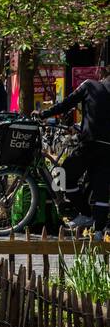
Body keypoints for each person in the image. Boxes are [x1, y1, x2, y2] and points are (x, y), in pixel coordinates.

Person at [38, 64, 110, 240]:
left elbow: (65, 104)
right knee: (101, 190)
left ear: (102, 72)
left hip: (89, 143)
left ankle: (84, 214)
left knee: (64, 174)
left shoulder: (89, 86)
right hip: (108, 147)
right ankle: (98, 231)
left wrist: (43, 114)